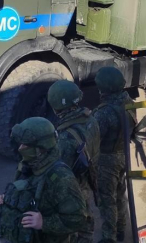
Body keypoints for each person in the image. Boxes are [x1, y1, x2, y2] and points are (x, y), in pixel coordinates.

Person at [0, 116, 87, 243]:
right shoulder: (29, 164)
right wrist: (8, 200)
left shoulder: (61, 178)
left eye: (26, 145)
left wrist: (44, 223)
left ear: (40, 149)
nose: (20, 148)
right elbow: (25, 190)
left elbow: (78, 219)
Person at [46, 80, 100, 243]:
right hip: (89, 177)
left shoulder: (65, 138)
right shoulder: (91, 119)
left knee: (71, 224)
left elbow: (59, 172)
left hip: (74, 186)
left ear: (55, 107)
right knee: (86, 220)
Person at [92, 67, 137, 243]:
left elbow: (93, 140)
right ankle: (121, 229)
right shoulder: (130, 102)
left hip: (106, 160)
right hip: (123, 155)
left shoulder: (102, 113)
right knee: (120, 194)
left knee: (106, 200)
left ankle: (108, 237)